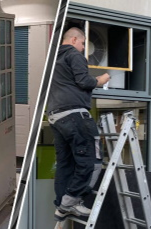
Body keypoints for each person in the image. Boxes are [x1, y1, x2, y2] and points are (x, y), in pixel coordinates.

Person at [46, 27, 110, 220]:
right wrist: (101, 78)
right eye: (83, 43)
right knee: (91, 160)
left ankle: (61, 205)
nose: (84, 48)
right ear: (74, 40)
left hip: (56, 117)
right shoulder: (74, 55)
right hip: (75, 115)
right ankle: (70, 202)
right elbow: (84, 81)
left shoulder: (54, 58)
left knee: (65, 164)